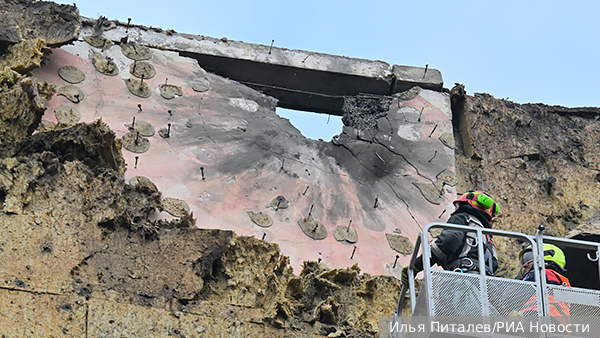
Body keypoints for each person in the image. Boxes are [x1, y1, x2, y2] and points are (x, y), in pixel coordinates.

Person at [401, 190, 500, 316]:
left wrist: (418, 264)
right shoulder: (487, 238)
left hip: (461, 281)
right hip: (486, 287)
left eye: (458, 206)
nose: (455, 209)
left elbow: (449, 241)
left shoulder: (462, 218)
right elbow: (494, 264)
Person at [519, 243, 571, 319]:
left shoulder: (541, 274)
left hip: (535, 318)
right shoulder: (559, 280)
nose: (525, 265)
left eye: (529, 258)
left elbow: (516, 295)